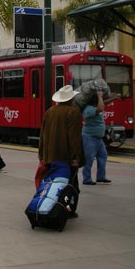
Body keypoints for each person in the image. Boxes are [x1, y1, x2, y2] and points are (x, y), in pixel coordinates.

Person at [38, 85, 85, 217]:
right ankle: (68, 209)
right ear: (71, 99)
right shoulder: (73, 112)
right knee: (71, 185)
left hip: (50, 156)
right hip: (65, 157)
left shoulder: (50, 111)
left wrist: (41, 154)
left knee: (53, 184)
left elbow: (42, 135)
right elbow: (74, 138)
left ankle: (51, 206)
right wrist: (75, 157)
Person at [81, 91, 120, 185]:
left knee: (103, 155)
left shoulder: (95, 107)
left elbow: (103, 104)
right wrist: (100, 96)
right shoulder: (89, 109)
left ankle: (101, 177)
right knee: (89, 158)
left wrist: (114, 98)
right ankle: (86, 179)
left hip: (98, 138)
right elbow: (100, 107)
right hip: (89, 137)